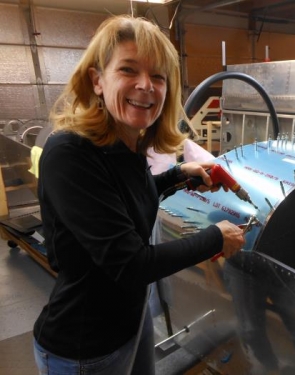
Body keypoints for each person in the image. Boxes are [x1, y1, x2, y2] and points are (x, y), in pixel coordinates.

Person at [32, 15, 245, 375]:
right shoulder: (71, 154)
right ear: (97, 80)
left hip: (132, 320)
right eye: (129, 70)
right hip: (85, 347)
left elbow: (127, 200)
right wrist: (215, 238)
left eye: (158, 76)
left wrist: (181, 175)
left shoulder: (128, 143)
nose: (146, 85)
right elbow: (131, 264)